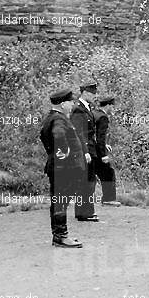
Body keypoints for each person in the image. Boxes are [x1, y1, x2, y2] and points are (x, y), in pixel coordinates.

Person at [39, 89, 88, 248]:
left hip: (58, 168)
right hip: (64, 170)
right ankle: (61, 236)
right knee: (61, 202)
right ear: (62, 104)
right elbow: (58, 136)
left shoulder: (51, 118)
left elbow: (44, 136)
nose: (73, 104)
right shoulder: (59, 119)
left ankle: (59, 236)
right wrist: (64, 156)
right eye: (71, 102)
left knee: (59, 201)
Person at [70, 80, 100, 222]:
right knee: (86, 181)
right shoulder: (78, 109)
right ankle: (84, 213)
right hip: (85, 150)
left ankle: (85, 211)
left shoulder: (86, 108)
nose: (94, 96)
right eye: (91, 93)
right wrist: (85, 151)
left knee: (89, 181)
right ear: (84, 93)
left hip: (90, 148)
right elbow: (79, 133)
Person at [93, 96, 121, 206]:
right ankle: (109, 199)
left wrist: (104, 144)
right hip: (97, 151)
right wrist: (103, 154)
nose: (113, 109)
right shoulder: (103, 117)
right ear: (108, 105)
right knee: (109, 173)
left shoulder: (94, 113)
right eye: (112, 106)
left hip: (90, 148)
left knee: (89, 174)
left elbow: (92, 134)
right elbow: (100, 136)